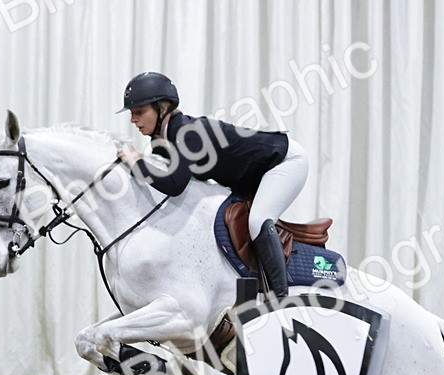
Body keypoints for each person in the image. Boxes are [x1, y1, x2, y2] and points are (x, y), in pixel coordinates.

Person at [115, 71, 307, 299]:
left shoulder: (187, 133)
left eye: (139, 112)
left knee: (258, 220)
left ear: (162, 108)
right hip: (254, 175)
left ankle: (281, 299)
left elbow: (175, 185)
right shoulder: (165, 140)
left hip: (285, 161)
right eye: (132, 113)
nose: (133, 119)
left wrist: (136, 162)